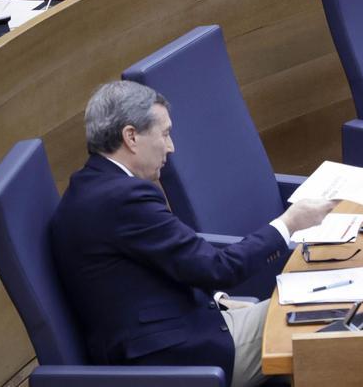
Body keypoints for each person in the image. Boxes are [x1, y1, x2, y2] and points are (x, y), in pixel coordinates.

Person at [51, 80, 336, 387]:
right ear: (131, 137)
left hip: (177, 328)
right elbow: (217, 269)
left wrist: (216, 299)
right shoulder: (123, 199)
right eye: (165, 134)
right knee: (330, 317)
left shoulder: (89, 185)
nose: (171, 147)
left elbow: (166, 267)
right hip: (181, 358)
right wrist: (289, 223)